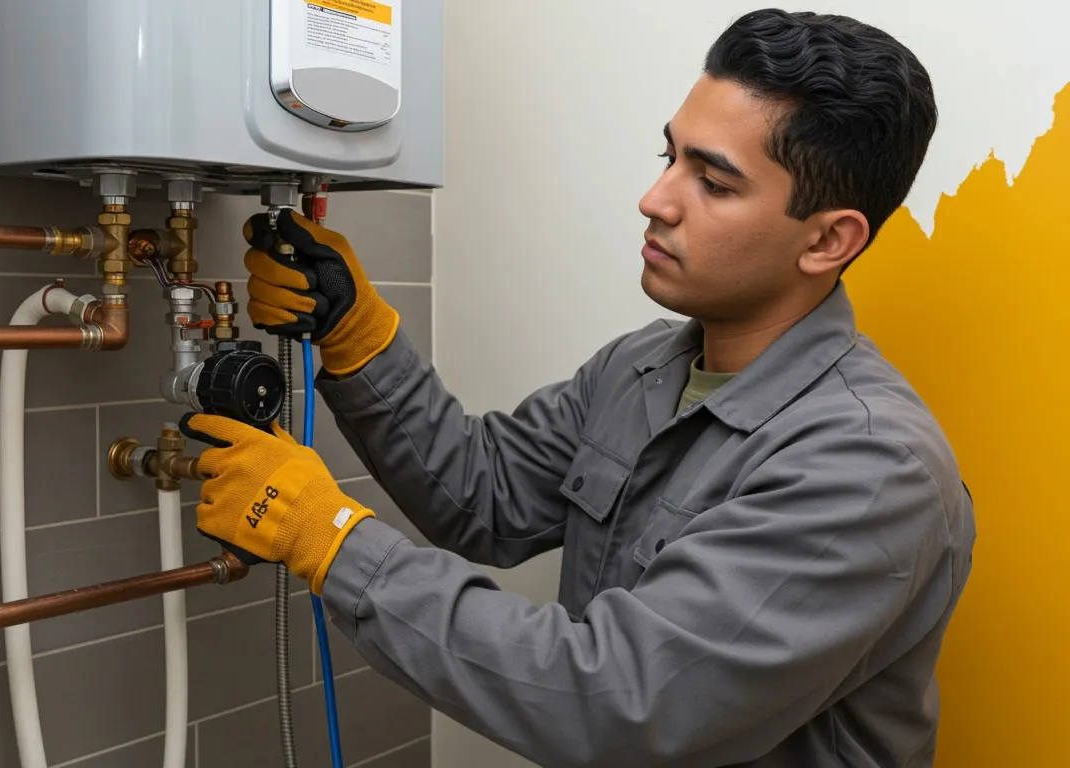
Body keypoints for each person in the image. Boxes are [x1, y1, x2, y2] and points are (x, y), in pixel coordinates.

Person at [180, 8, 975, 767]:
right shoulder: (644, 368)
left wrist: (332, 539)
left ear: (829, 239)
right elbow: (483, 498)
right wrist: (360, 339)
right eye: (671, 157)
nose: (656, 199)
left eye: (715, 183)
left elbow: (617, 702)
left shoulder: (866, 469)